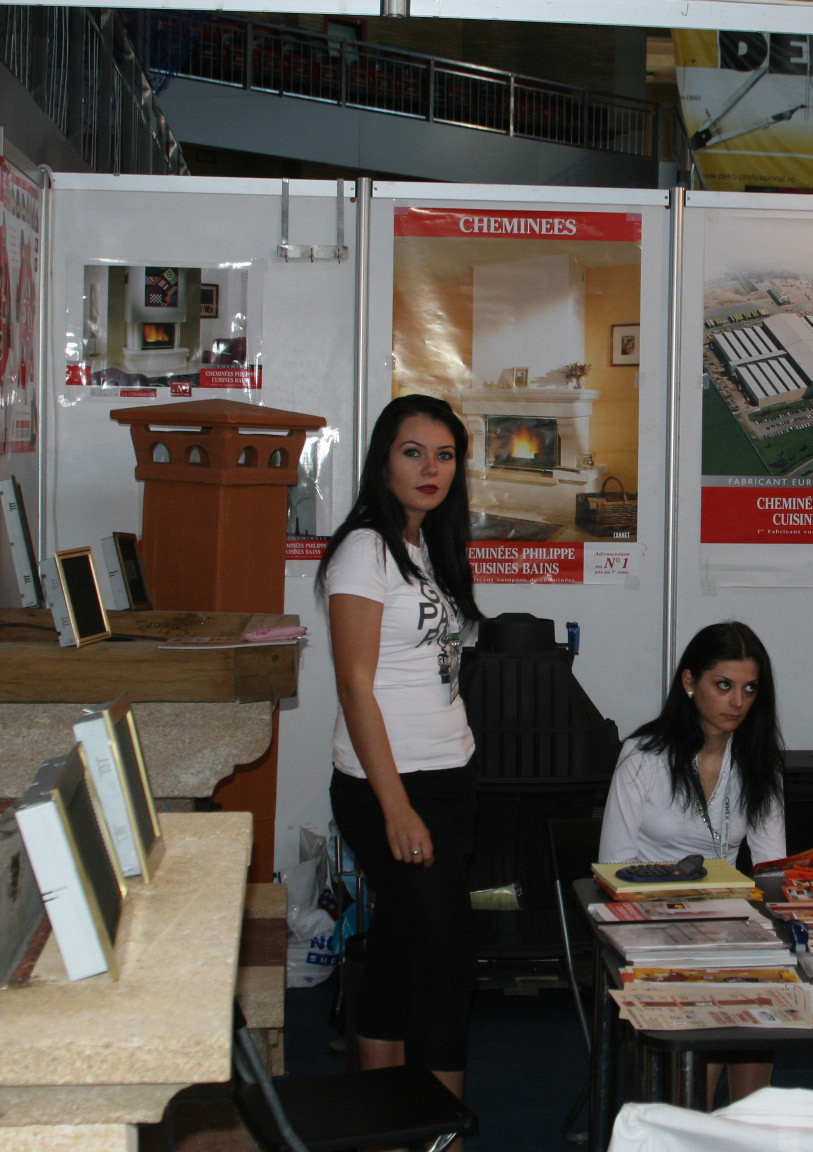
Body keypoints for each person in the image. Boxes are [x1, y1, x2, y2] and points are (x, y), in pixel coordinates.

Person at [599, 621, 813, 1103]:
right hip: (652, 924)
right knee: (725, 1005)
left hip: (729, 924)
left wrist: (811, 871)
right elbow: (613, 870)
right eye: (723, 686)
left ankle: (739, 1122)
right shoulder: (642, 756)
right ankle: (694, 1117)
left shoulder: (758, 762)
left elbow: (770, 870)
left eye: (749, 689)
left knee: (765, 992)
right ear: (689, 683)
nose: (738, 702)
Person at [319, 393, 482, 1110]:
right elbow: (355, 685)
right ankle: (440, 1136)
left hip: (448, 778)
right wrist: (395, 808)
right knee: (448, 965)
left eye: (444, 456)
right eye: (413, 453)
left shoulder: (427, 547)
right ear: (382, 461)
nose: (430, 469)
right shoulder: (365, 549)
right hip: (390, 786)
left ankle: (379, 1124)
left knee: (397, 951)